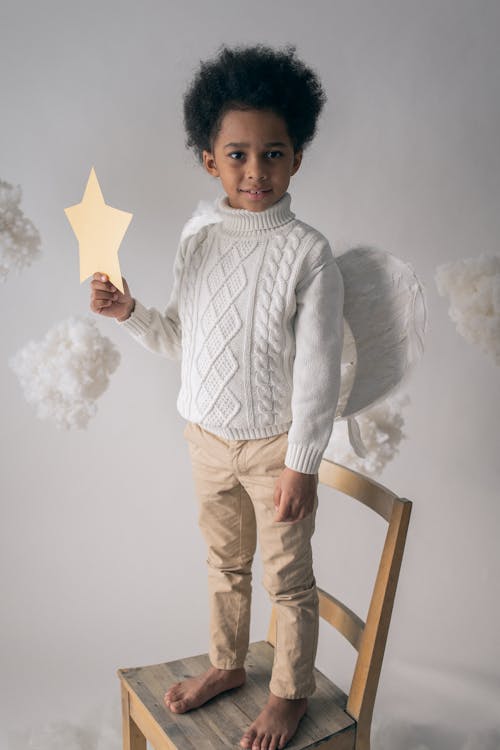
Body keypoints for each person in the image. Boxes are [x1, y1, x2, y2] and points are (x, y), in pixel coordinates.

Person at [90, 43, 345, 750]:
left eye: (272, 153)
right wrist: (130, 314)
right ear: (209, 160)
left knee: (287, 579)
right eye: (237, 154)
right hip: (205, 438)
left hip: (274, 449)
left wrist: (302, 461)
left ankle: (290, 693)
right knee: (225, 564)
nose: (255, 170)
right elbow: (182, 337)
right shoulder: (198, 235)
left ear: (297, 158)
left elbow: (320, 371)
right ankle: (228, 665)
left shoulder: (308, 253)